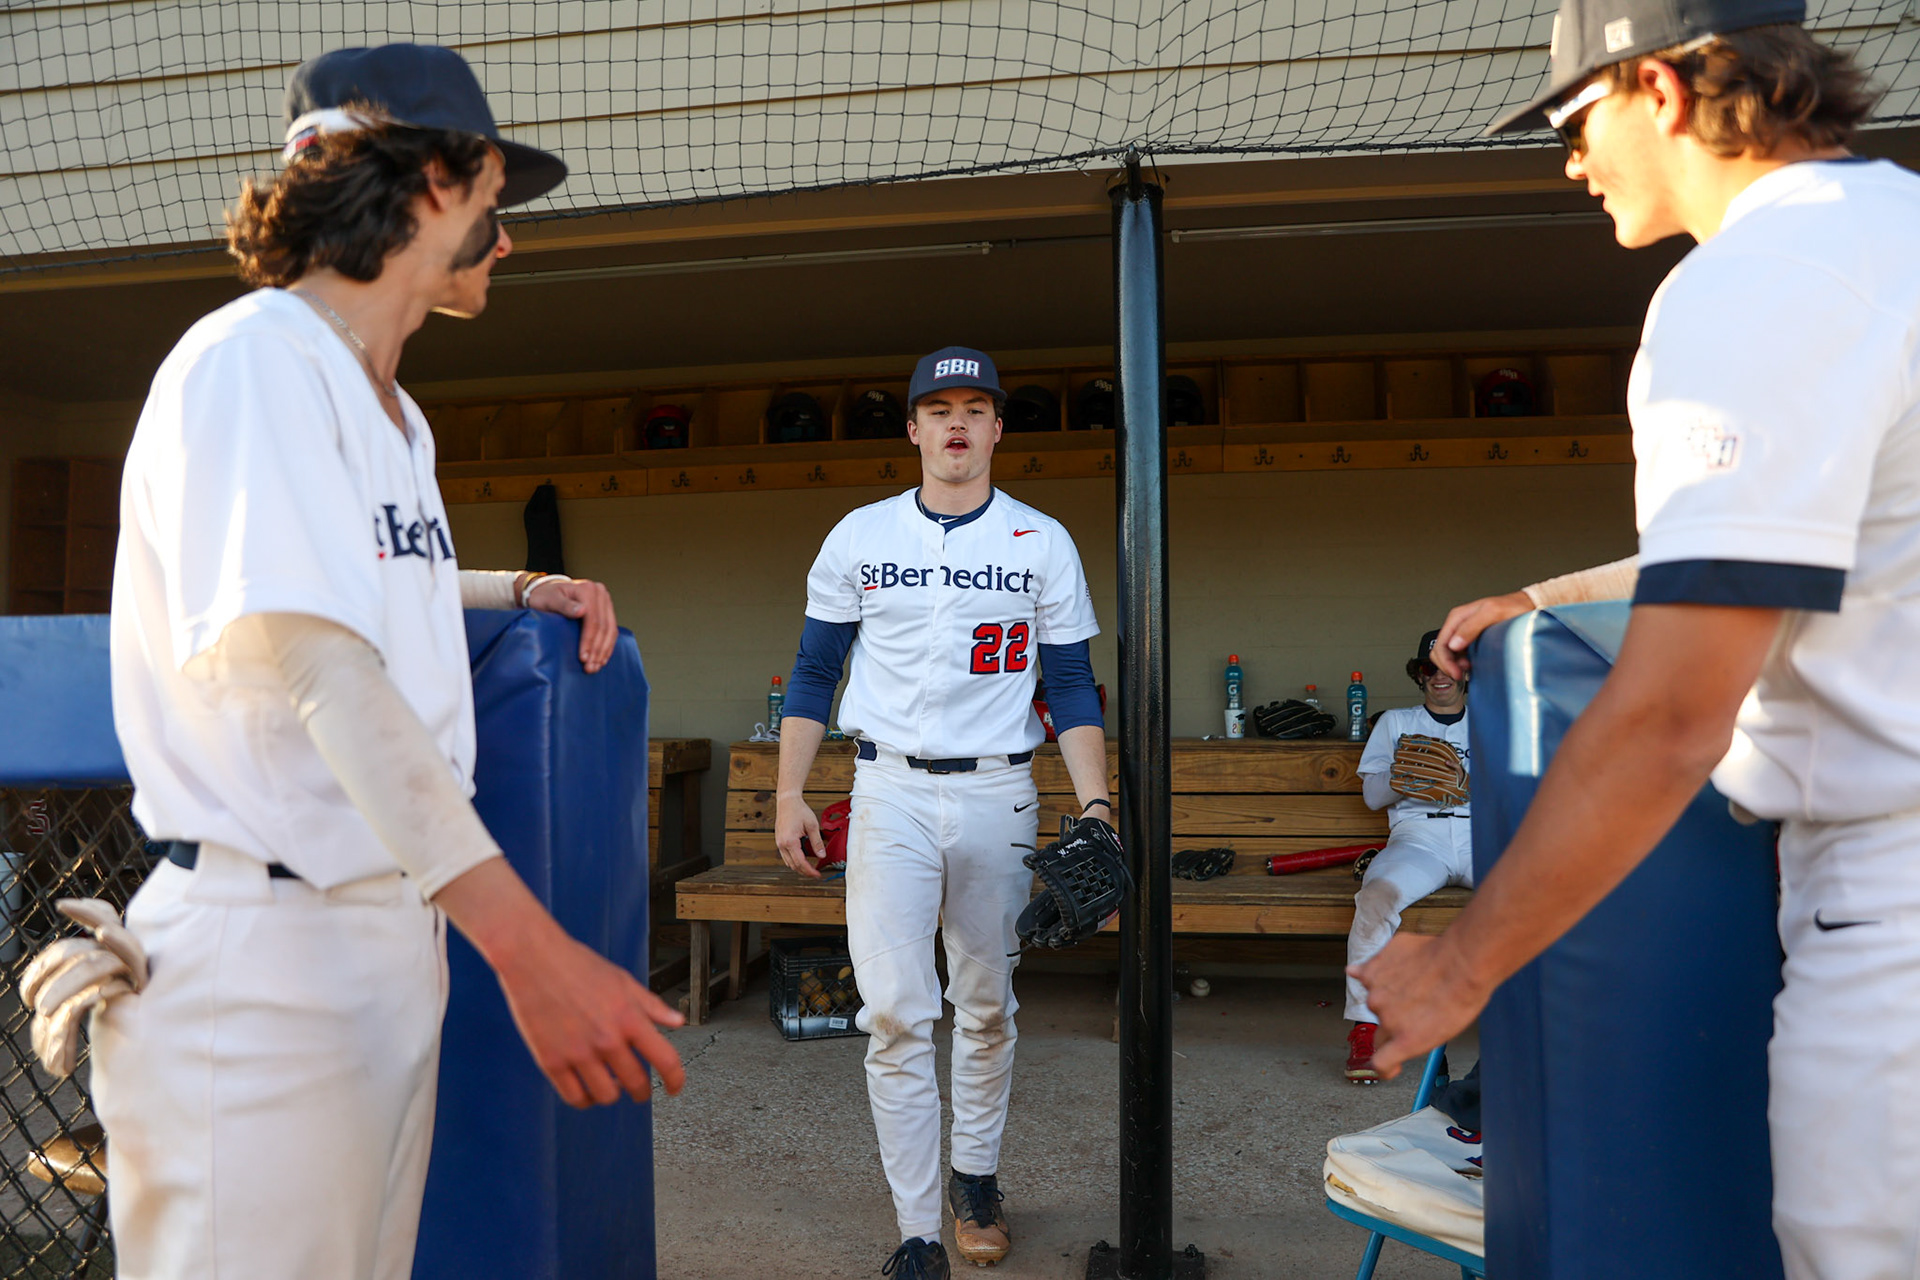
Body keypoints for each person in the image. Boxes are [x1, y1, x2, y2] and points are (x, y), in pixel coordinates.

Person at [97, 44, 685, 1280]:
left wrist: (518, 586)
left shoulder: (394, 414)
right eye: (492, 199)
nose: (506, 238)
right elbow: (323, 669)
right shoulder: (254, 355)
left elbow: (359, 581)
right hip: (266, 955)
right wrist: (532, 953)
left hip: (380, 941)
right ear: (430, 180)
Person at [1349, 3, 1915, 1276]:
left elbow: (1671, 714)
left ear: (1660, 88)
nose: (1568, 155)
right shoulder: (1893, 232)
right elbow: (1813, 539)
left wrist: (1460, 965)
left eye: (1573, 114)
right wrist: (1546, 593)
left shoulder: (1753, 278)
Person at [774, 347, 1110, 1279]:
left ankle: (975, 1179)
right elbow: (813, 671)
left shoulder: (1040, 540)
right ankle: (918, 1229)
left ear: (999, 428)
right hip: (888, 791)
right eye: (938, 408)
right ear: (913, 428)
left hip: (999, 788)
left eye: (975, 407)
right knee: (892, 1014)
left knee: (988, 1004)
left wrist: (1096, 806)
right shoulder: (859, 534)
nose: (956, 423)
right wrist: (790, 791)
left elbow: (1074, 684)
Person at [1344, 629, 1472, 1083]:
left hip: (1483, 836)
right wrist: (1409, 778)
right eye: (1429, 667)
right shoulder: (1396, 722)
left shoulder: (1494, 720)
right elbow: (1373, 797)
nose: (1439, 676)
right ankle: (1365, 1028)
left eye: (1449, 665)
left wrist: (1470, 779)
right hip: (1420, 839)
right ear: (1420, 675)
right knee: (1375, 898)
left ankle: (1560, 1025)